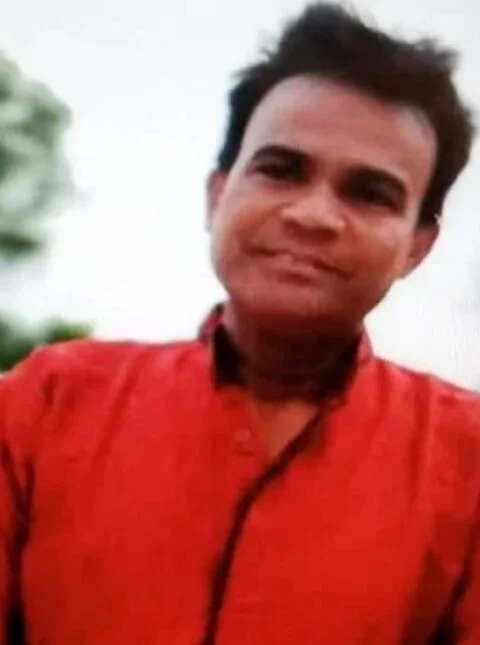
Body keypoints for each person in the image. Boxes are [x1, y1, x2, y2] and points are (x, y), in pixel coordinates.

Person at [1, 3, 479, 644]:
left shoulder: (468, 462)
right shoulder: (43, 407)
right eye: (280, 170)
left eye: (369, 193)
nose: (313, 215)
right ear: (216, 195)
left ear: (417, 246)